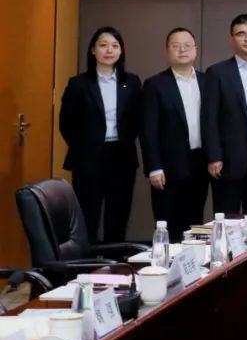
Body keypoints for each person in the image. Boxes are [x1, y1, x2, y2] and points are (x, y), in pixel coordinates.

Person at [59, 26, 141, 243]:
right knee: (88, 216)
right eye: (103, 45)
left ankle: (115, 261)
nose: (109, 50)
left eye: (115, 46)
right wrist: (86, 146)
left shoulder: (131, 82)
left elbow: (136, 119)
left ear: (121, 51)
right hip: (88, 158)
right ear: (93, 50)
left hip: (121, 156)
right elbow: (66, 123)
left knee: (118, 216)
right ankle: (86, 261)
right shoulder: (78, 84)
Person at [202, 14, 247, 215]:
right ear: (231, 39)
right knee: (227, 219)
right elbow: (209, 118)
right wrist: (214, 156)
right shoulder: (217, 72)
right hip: (227, 160)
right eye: (241, 34)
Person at [140, 27, 209, 241]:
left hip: (200, 163)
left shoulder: (207, 81)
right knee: (168, 223)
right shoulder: (155, 85)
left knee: (195, 222)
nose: (182, 50)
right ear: (167, 51)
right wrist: (153, 167)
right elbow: (148, 130)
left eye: (187, 46)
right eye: (175, 46)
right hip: (168, 167)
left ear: (195, 49)